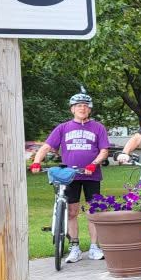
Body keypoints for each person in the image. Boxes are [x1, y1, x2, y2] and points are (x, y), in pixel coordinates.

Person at [30, 93, 110, 263]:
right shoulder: (63, 128)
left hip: (91, 175)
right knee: (72, 212)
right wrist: (37, 161)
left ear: (90, 109)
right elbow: (46, 147)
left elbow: (104, 150)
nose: (82, 108)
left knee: (93, 211)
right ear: (72, 109)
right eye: (79, 105)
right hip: (69, 175)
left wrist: (93, 164)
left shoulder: (98, 128)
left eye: (86, 106)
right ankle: (75, 247)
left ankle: (94, 247)